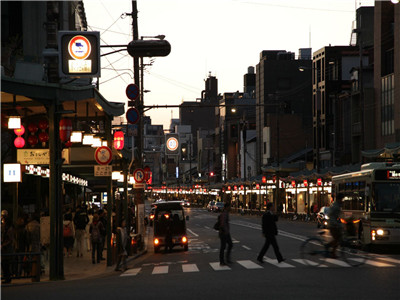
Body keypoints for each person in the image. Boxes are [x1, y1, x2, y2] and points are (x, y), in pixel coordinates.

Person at [325, 193, 344, 258]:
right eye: (342, 199)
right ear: (339, 199)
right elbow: (331, 215)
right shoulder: (335, 206)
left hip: (333, 223)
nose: (342, 200)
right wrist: (337, 224)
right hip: (332, 225)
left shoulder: (337, 205)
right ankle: (329, 247)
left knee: (337, 239)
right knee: (337, 238)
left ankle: (333, 252)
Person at [1, 210, 15, 283]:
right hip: (5, 248)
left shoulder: (9, 228)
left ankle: (7, 278)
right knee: (5, 264)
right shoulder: (6, 227)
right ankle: (7, 278)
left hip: (7, 248)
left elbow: (10, 239)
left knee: (5, 264)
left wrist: (3, 245)